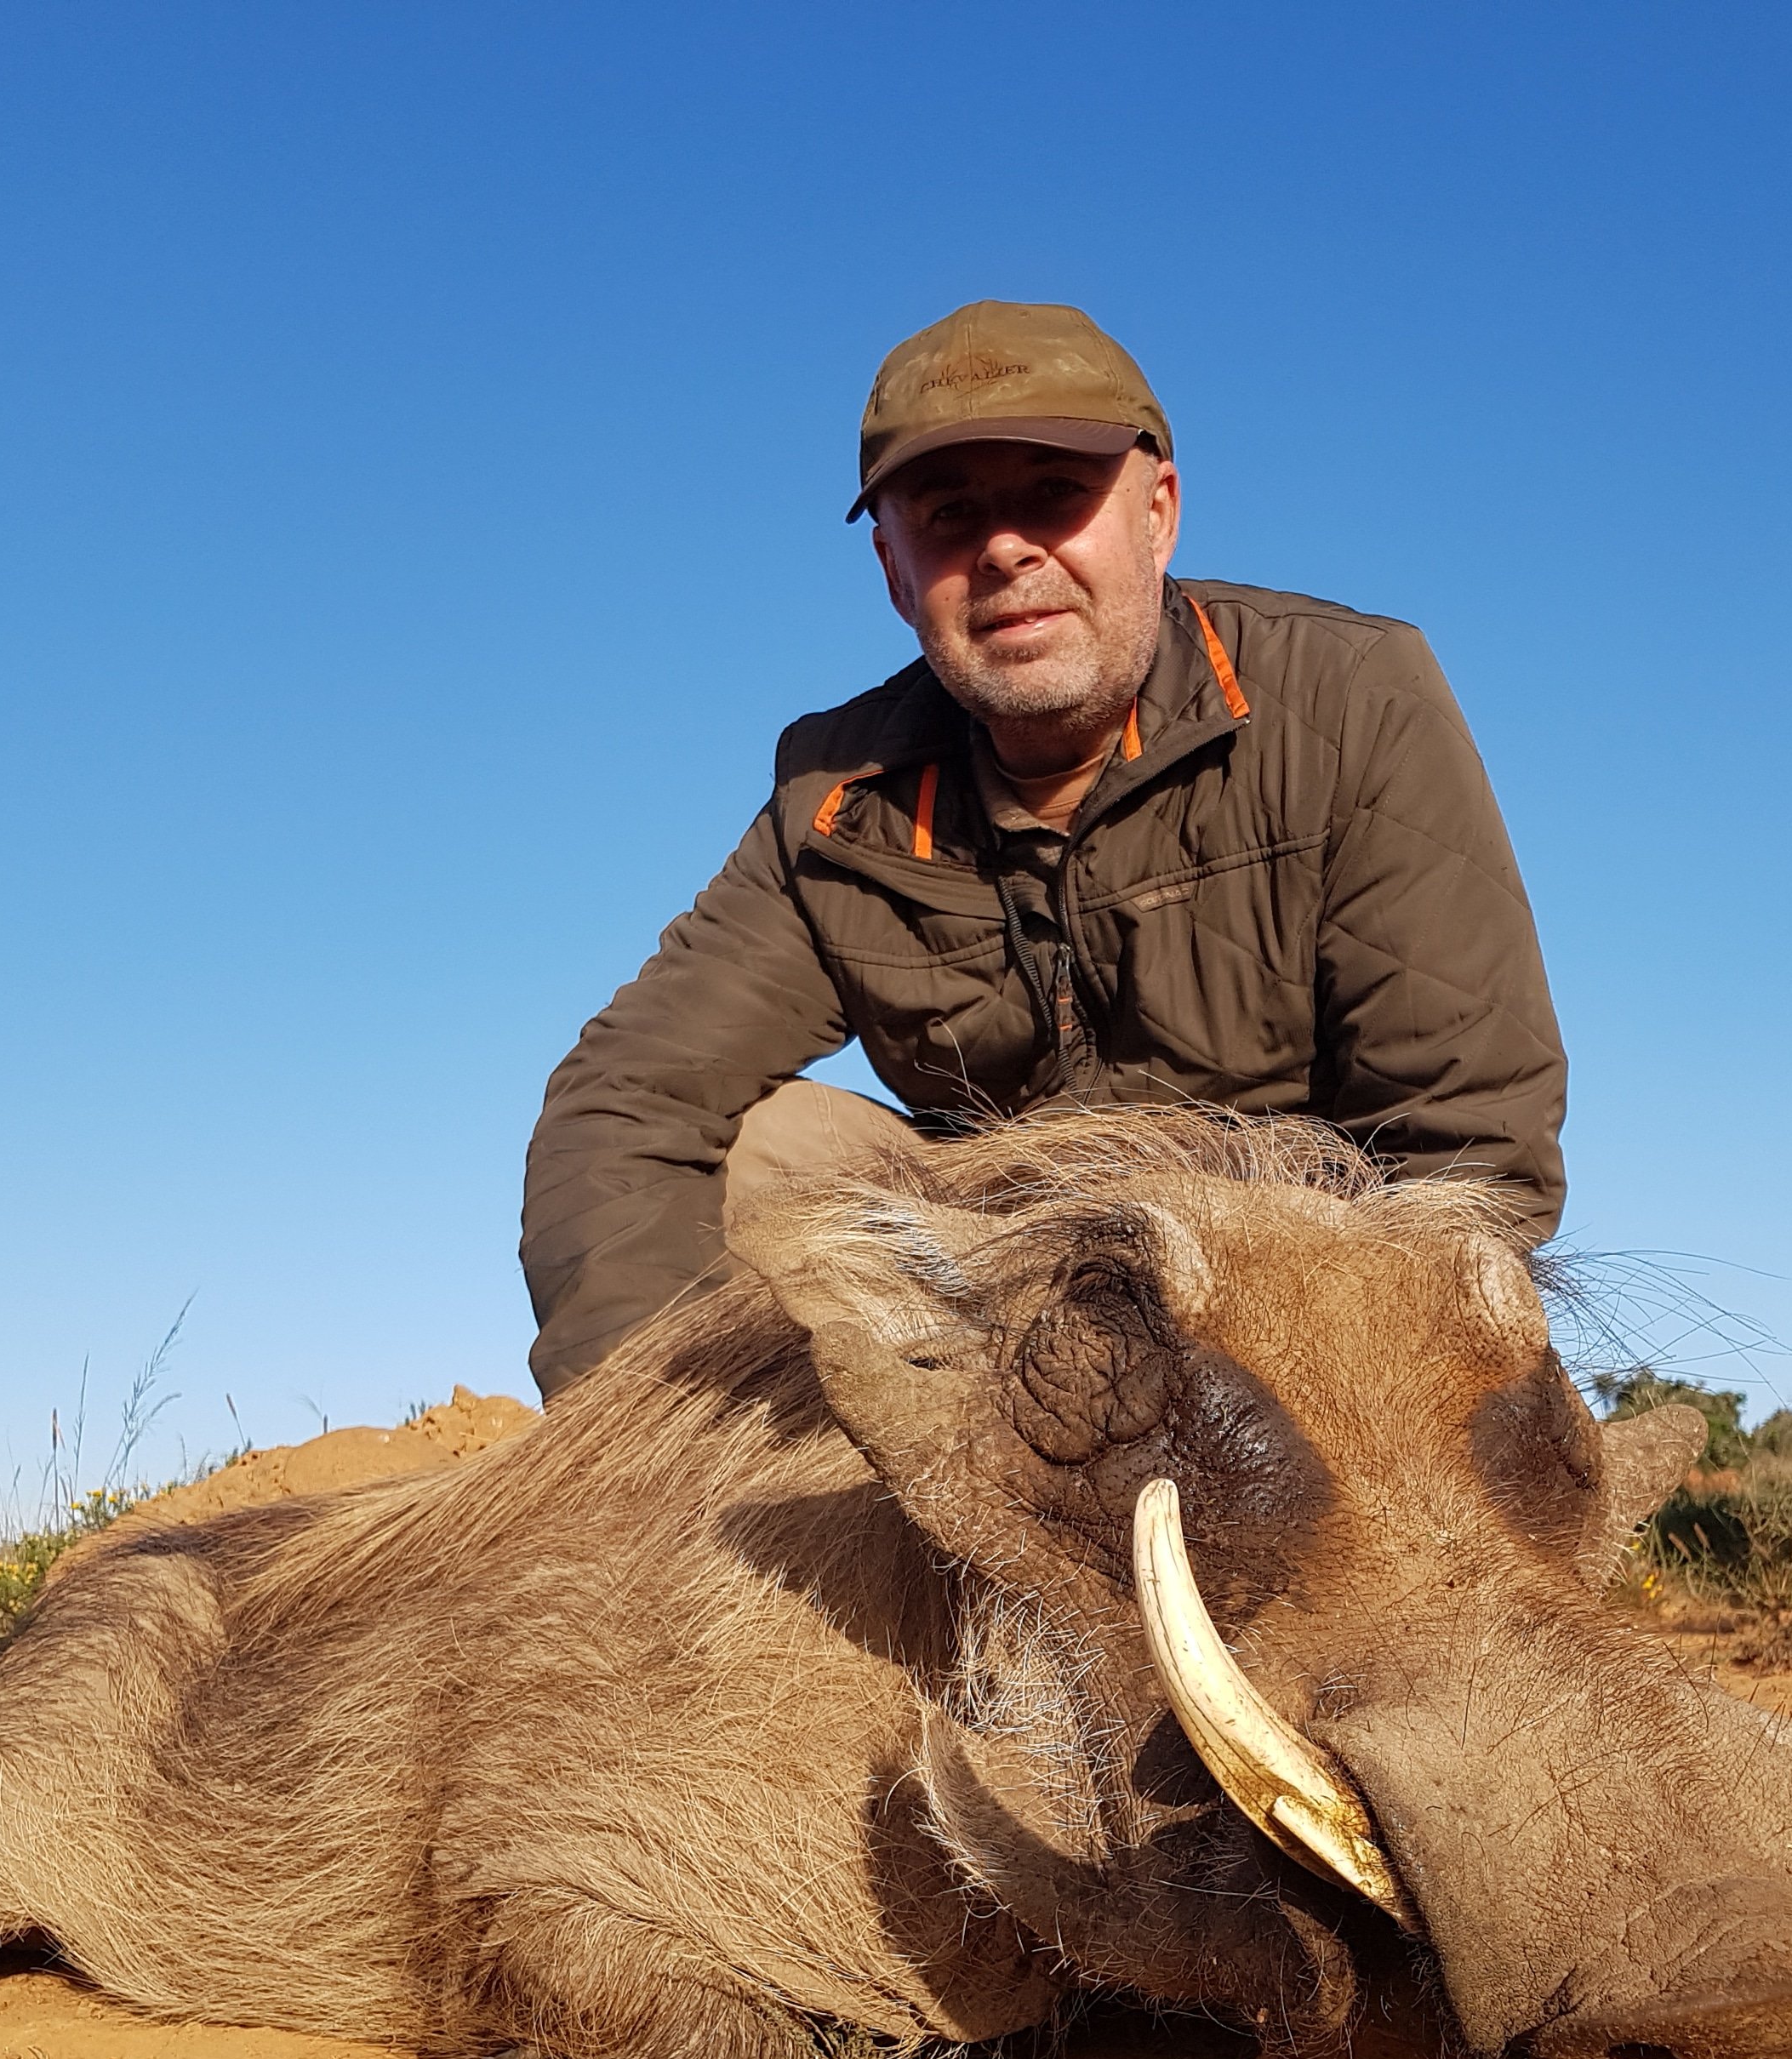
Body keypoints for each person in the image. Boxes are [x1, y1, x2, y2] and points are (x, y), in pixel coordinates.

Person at [520, 299, 1569, 1395]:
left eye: (1055, 495)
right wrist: (644, 1439)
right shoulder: (834, 793)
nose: (1005, 548)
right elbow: (629, 1097)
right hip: (1003, 1297)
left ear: (1157, 514)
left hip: (1298, 1305)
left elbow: (1467, 1150)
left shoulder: (1355, 696)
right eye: (948, 513)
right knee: (762, 1154)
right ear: (892, 569)